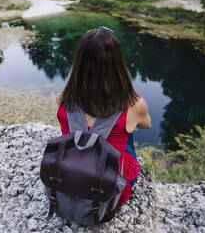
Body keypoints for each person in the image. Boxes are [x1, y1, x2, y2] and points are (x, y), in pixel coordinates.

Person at [55, 27, 151, 206]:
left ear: (80, 62)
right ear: (117, 64)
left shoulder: (63, 98)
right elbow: (146, 124)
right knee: (126, 133)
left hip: (70, 178)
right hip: (108, 192)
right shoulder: (135, 104)